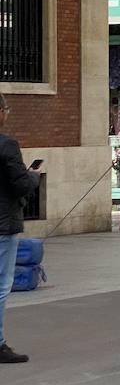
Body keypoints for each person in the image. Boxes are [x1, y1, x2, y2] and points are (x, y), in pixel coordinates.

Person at [0, 94, 41, 364]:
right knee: (2, 285)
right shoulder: (7, 145)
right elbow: (21, 185)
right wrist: (33, 177)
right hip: (3, 223)